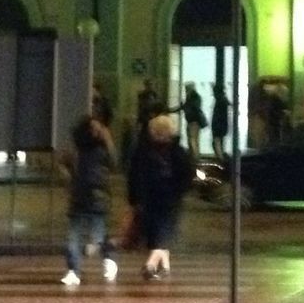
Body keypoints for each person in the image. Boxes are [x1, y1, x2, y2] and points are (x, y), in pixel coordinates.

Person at [126, 112, 196, 280]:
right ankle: (156, 266)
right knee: (161, 234)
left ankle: (158, 266)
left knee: (159, 234)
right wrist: (180, 190)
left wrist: (134, 198)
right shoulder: (177, 151)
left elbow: (133, 176)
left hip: (152, 199)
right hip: (166, 200)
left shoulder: (143, 150)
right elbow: (188, 174)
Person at [59, 110, 118, 288]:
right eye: (93, 128)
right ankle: (73, 271)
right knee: (73, 237)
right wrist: (68, 179)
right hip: (80, 196)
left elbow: (114, 163)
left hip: (96, 196)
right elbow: (62, 163)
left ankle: (109, 258)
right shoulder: (77, 150)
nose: (97, 131)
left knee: (98, 237)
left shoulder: (102, 150)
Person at [210, 83, 233, 159]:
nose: (213, 93)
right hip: (222, 125)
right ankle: (221, 157)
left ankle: (221, 159)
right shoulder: (224, 99)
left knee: (216, 143)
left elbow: (217, 115)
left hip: (218, 125)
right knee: (218, 142)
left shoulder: (220, 100)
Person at [181, 83, 205, 150]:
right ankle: (195, 156)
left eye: (186, 88)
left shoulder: (193, 97)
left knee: (192, 140)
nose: (185, 90)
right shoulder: (193, 97)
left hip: (193, 121)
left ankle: (194, 157)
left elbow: (193, 107)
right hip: (193, 121)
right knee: (194, 140)